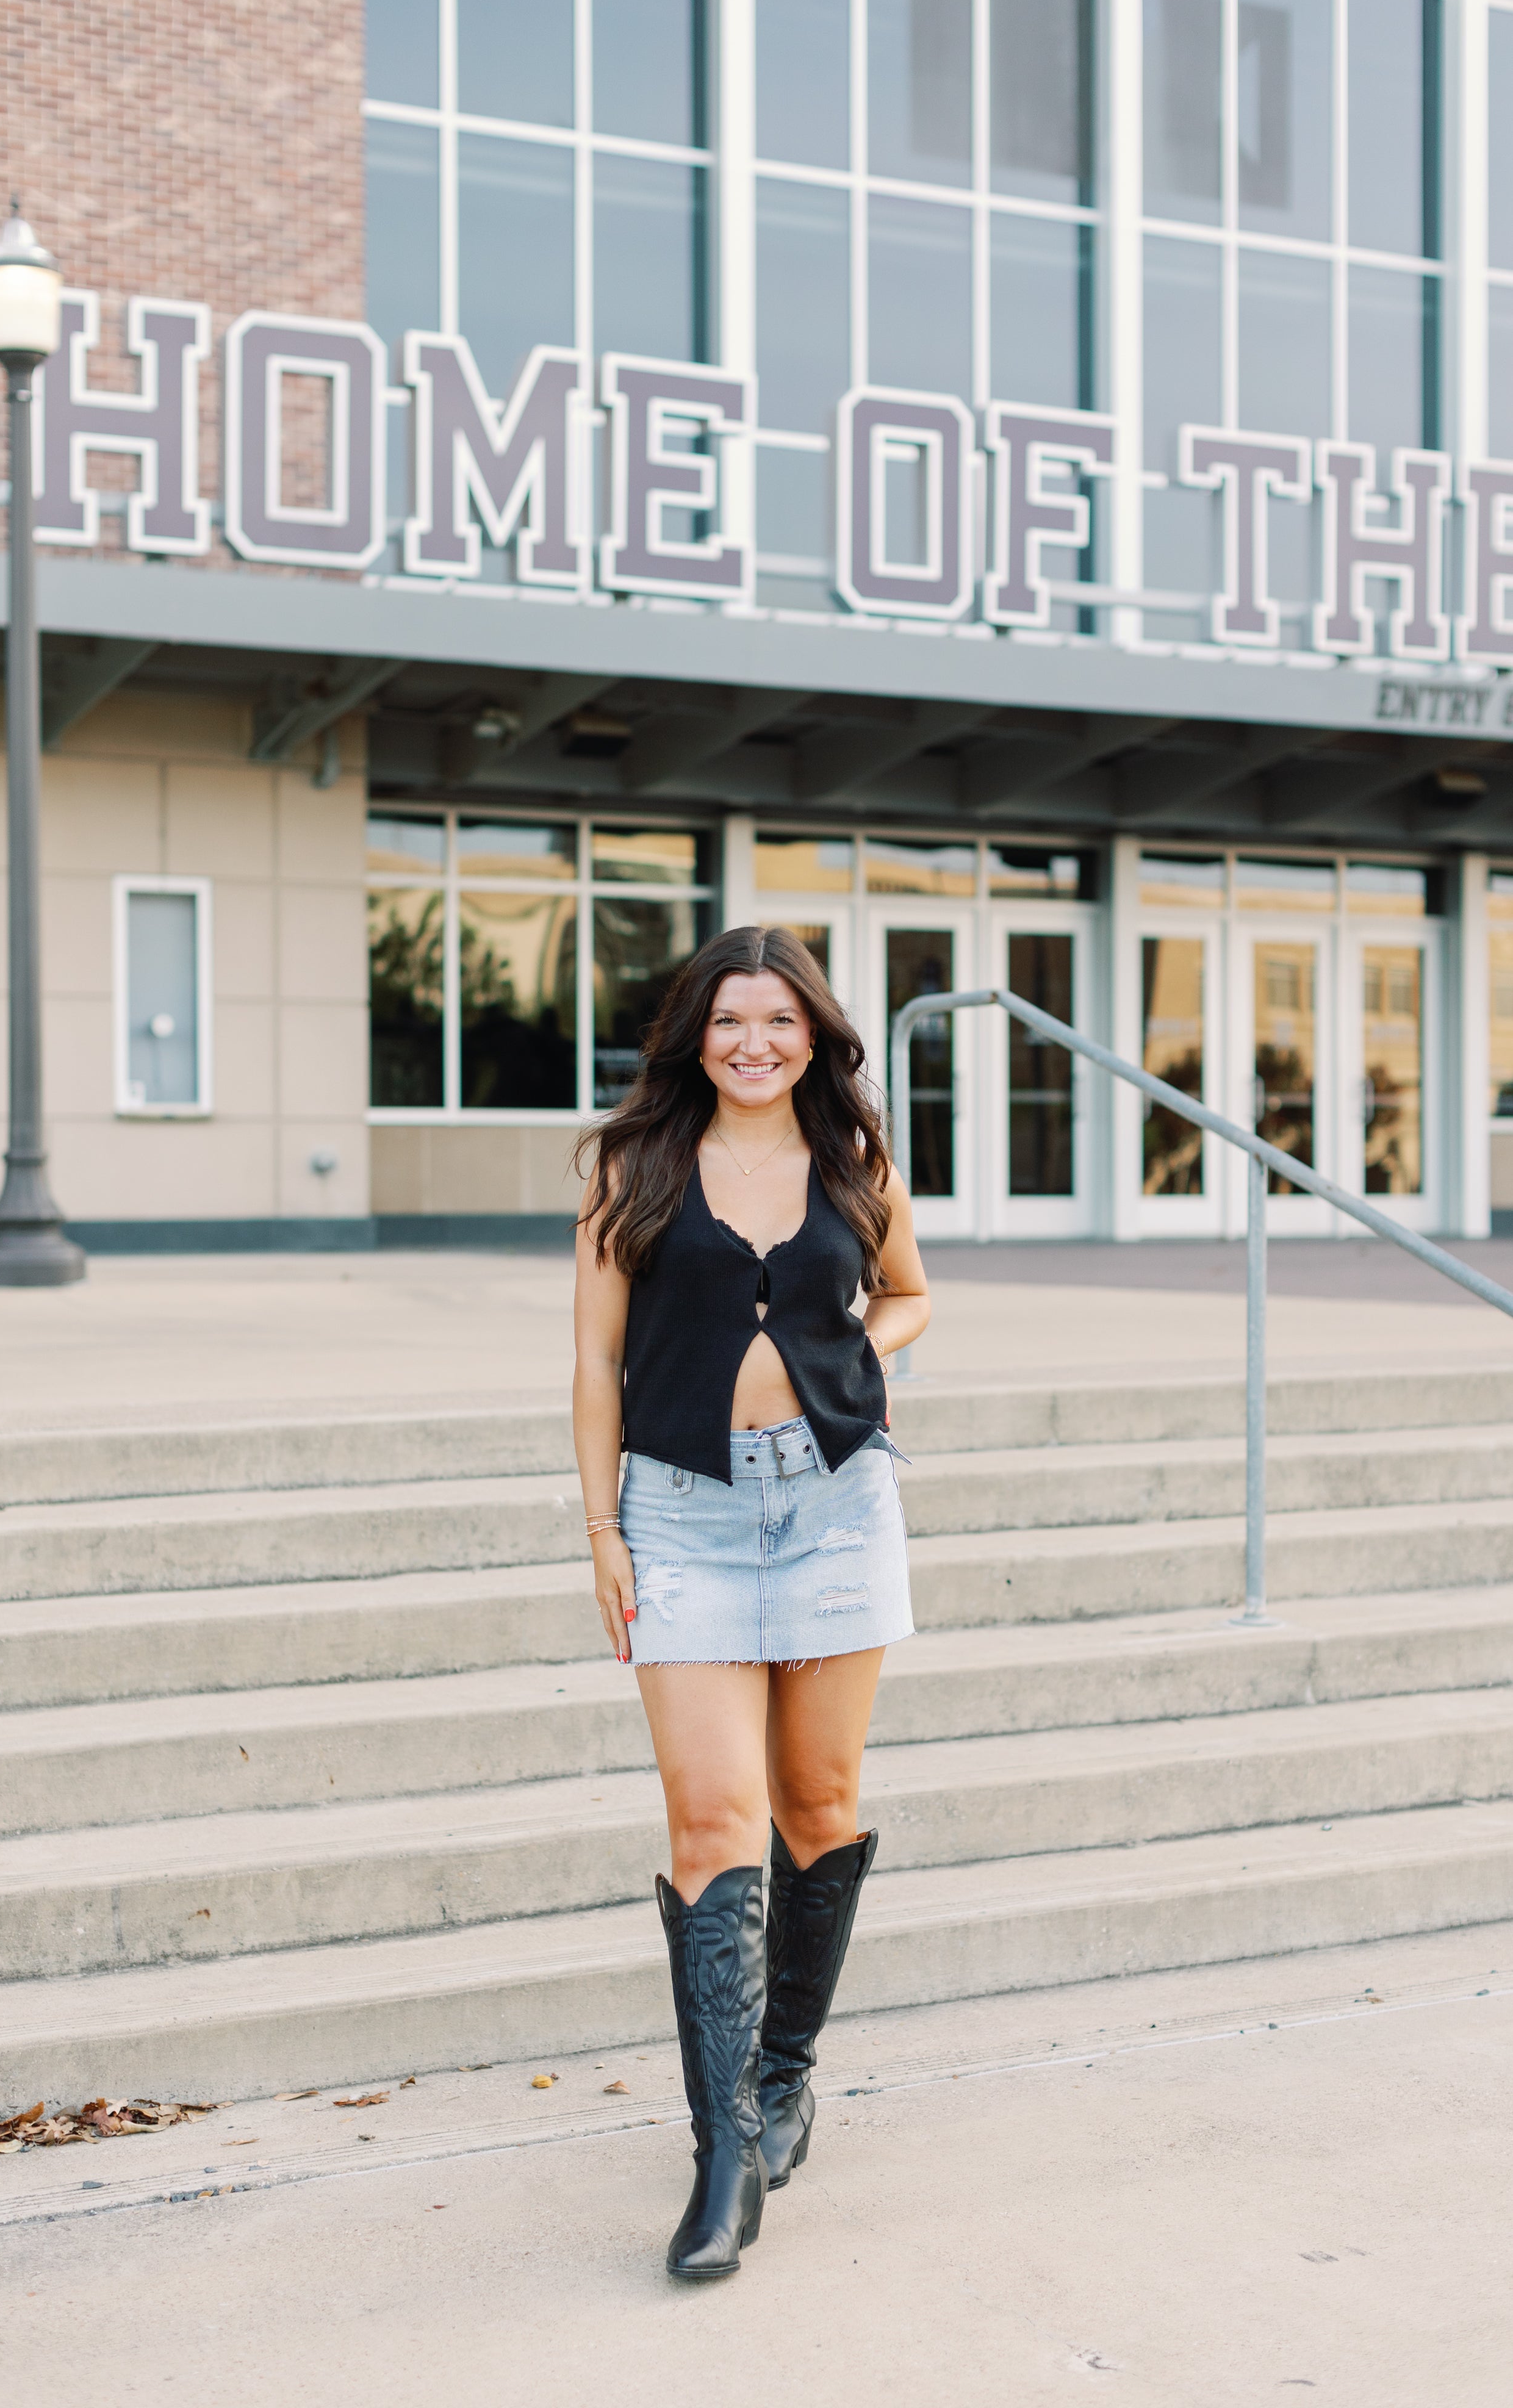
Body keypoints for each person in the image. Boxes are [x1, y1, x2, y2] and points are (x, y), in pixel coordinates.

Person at [572, 924, 931, 2280]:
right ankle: (723, 2154)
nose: (754, 1041)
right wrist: (600, 1527)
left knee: (816, 1803)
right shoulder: (634, 1166)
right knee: (710, 1816)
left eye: (779, 1020)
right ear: (694, 1033)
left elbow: (906, 1295)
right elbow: (595, 1361)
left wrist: (855, 1351)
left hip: (836, 1505)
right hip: (680, 1514)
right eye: (729, 1019)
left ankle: (784, 2074)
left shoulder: (854, 1161)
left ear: (812, 1034)